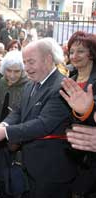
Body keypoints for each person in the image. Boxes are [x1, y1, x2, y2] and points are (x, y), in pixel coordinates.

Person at [0, 38, 77, 198]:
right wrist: (3, 124)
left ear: (48, 59)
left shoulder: (62, 87)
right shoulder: (31, 84)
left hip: (52, 171)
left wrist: (6, 132)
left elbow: (43, 124)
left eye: (31, 62)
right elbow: (18, 111)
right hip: (32, 167)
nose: (26, 68)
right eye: (25, 62)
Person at [59, 31, 96, 197]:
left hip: (91, 153)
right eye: (71, 51)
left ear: (92, 53)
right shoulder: (69, 78)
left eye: (80, 51)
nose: (74, 56)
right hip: (69, 151)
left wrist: (87, 111)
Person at [0, 50, 29, 198]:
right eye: (9, 71)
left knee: (17, 171)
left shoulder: (28, 85)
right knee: (1, 169)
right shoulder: (0, 82)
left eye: (17, 71)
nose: (13, 75)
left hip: (18, 135)